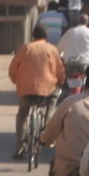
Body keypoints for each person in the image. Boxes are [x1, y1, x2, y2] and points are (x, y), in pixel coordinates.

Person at [9, 24, 66, 159]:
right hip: (48, 88)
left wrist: (16, 81)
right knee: (52, 104)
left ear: (33, 36)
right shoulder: (52, 49)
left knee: (22, 115)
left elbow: (12, 69)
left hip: (26, 89)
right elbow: (60, 71)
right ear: (46, 37)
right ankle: (46, 129)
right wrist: (61, 82)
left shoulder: (25, 48)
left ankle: (19, 148)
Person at [57, 11, 89, 76]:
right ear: (87, 23)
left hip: (70, 64)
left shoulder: (69, 32)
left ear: (77, 21)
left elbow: (59, 49)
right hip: (85, 64)